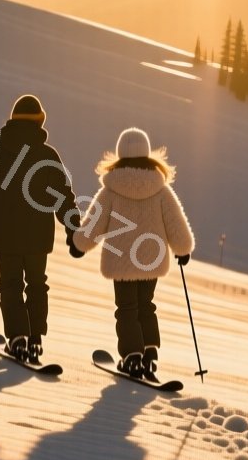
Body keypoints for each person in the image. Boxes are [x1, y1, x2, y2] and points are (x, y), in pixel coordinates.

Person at [70, 127, 195, 378]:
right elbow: (175, 222)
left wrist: (79, 244)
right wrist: (183, 249)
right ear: (148, 155)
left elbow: (95, 222)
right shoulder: (161, 190)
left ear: (119, 154)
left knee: (127, 307)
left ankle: (131, 356)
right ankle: (149, 354)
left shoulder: (110, 191)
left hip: (122, 259)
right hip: (151, 257)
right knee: (146, 305)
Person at [0, 94, 78, 363]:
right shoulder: (48, 156)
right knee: (37, 285)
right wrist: (73, 229)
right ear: (39, 121)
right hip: (38, 238)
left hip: (4, 235)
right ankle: (35, 339)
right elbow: (63, 197)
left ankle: (17, 338)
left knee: (11, 284)